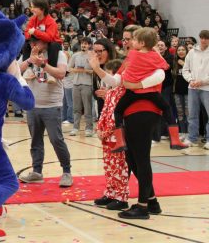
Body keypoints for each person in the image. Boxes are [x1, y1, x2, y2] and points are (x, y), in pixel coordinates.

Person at [88, 42, 164, 220]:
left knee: (139, 161)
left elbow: (150, 80)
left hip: (143, 114)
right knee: (134, 161)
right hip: (131, 115)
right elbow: (117, 82)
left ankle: (143, 206)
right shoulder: (130, 63)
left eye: (131, 39)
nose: (126, 42)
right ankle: (151, 202)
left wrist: (130, 83)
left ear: (142, 43)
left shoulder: (152, 62)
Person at [110, 28, 186, 151]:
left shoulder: (132, 53)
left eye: (135, 40)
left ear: (142, 43)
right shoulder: (154, 55)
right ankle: (175, 139)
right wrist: (156, 52)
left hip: (132, 91)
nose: (132, 42)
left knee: (118, 111)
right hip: (150, 93)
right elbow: (165, 66)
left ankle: (120, 141)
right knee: (167, 108)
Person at [19, 35, 73, 187]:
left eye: (37, 41)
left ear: (46, 41)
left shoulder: (59, 54)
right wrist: (30, 60)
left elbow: (61, 74)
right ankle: (37, 171)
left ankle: (67, 172)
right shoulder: (27, 55)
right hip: (32, 105)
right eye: (31, 42)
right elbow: (15, 71)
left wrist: (43, 64)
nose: (33, 44)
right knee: (35, 140)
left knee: (56, 139)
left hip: (52, 105)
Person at [94, 59, 129, 211]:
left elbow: (116, 117)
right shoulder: (111, 93)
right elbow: (104, 113)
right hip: (106, 136)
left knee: (119, 166)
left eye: (108, 73)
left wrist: (107, 131)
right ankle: (111, 193)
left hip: (117, 136)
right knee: (109, 166)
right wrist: (99, 129)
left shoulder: (122, 93)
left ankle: (121, 197)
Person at [182, 29, 209, 148]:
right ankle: (192, 138)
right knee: (192, 114)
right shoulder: (192, 52)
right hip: (192, 88)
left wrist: (203, 81)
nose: (203, 40)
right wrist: (191, 80)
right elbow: (185, 69)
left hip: (207, 88)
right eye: (202, 38)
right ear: (199, 38)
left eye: (206, 38)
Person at [23, 0, 62, 69]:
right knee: (26, 45)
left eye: (34, 7)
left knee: (53, 46)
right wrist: (31, 41)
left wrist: (35, 31)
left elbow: (49, 38)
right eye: (31, 7)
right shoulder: (33, 19)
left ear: (42, 8)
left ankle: (51, 70)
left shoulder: (51, 21)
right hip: (37, 40)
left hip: (52, 42)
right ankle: (28, 69)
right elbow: (26, 32)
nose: (32, 9)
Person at [68, 37, 94, 136]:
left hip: (87, 84)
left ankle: (89, 128)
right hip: (76, 84)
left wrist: (85, 71)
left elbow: (95, 71)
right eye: (83, 43)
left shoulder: (92, 56)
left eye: (86, 44)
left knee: (87, 107)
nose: (84, 45)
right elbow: (69, 68)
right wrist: (75, 70)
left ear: (89, 45)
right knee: (76, 108)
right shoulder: (75, 55)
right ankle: (75, 127)